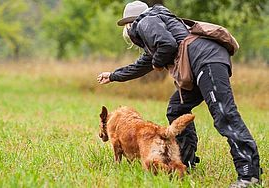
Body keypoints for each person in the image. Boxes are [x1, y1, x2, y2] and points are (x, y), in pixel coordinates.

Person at [97, 1, 261, 187]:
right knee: (176, 109)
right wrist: (113, 75)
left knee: (225, 114)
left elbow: (167, 45)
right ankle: (186, 163)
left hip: (206, 60)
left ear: (129, 24)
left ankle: (249, 175)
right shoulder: (154, 26)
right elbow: (142, 64)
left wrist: (158, 63)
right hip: (198, 63)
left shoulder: (145, 22)